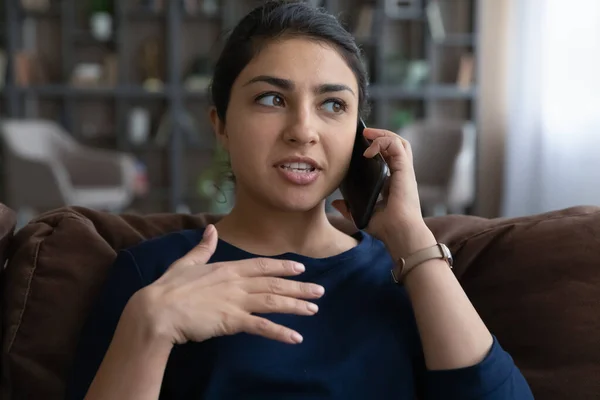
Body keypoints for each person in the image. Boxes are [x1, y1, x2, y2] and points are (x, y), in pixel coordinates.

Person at [66, 1, 534, 399]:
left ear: (359, 135)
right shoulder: (151, 275)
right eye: (271, 99)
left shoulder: (405, 277)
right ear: (221, 125)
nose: (303, 131)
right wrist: (150, 326)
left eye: (333, 105)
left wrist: (412, 239)